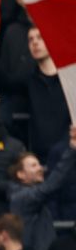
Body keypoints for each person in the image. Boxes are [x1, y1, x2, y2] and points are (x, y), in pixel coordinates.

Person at [8, 128, 76, 250]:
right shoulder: (22, 197)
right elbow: (52, 184)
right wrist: (72, 150)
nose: (40, 168)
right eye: (33, 166)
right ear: (20, 174)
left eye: (39, 164)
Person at [28, 27, 73, 158]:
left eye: (40, 37)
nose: (35, 43)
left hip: (69, 155)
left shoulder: (70, 79)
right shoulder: (28, 80)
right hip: (40, 157)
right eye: (30, 39)